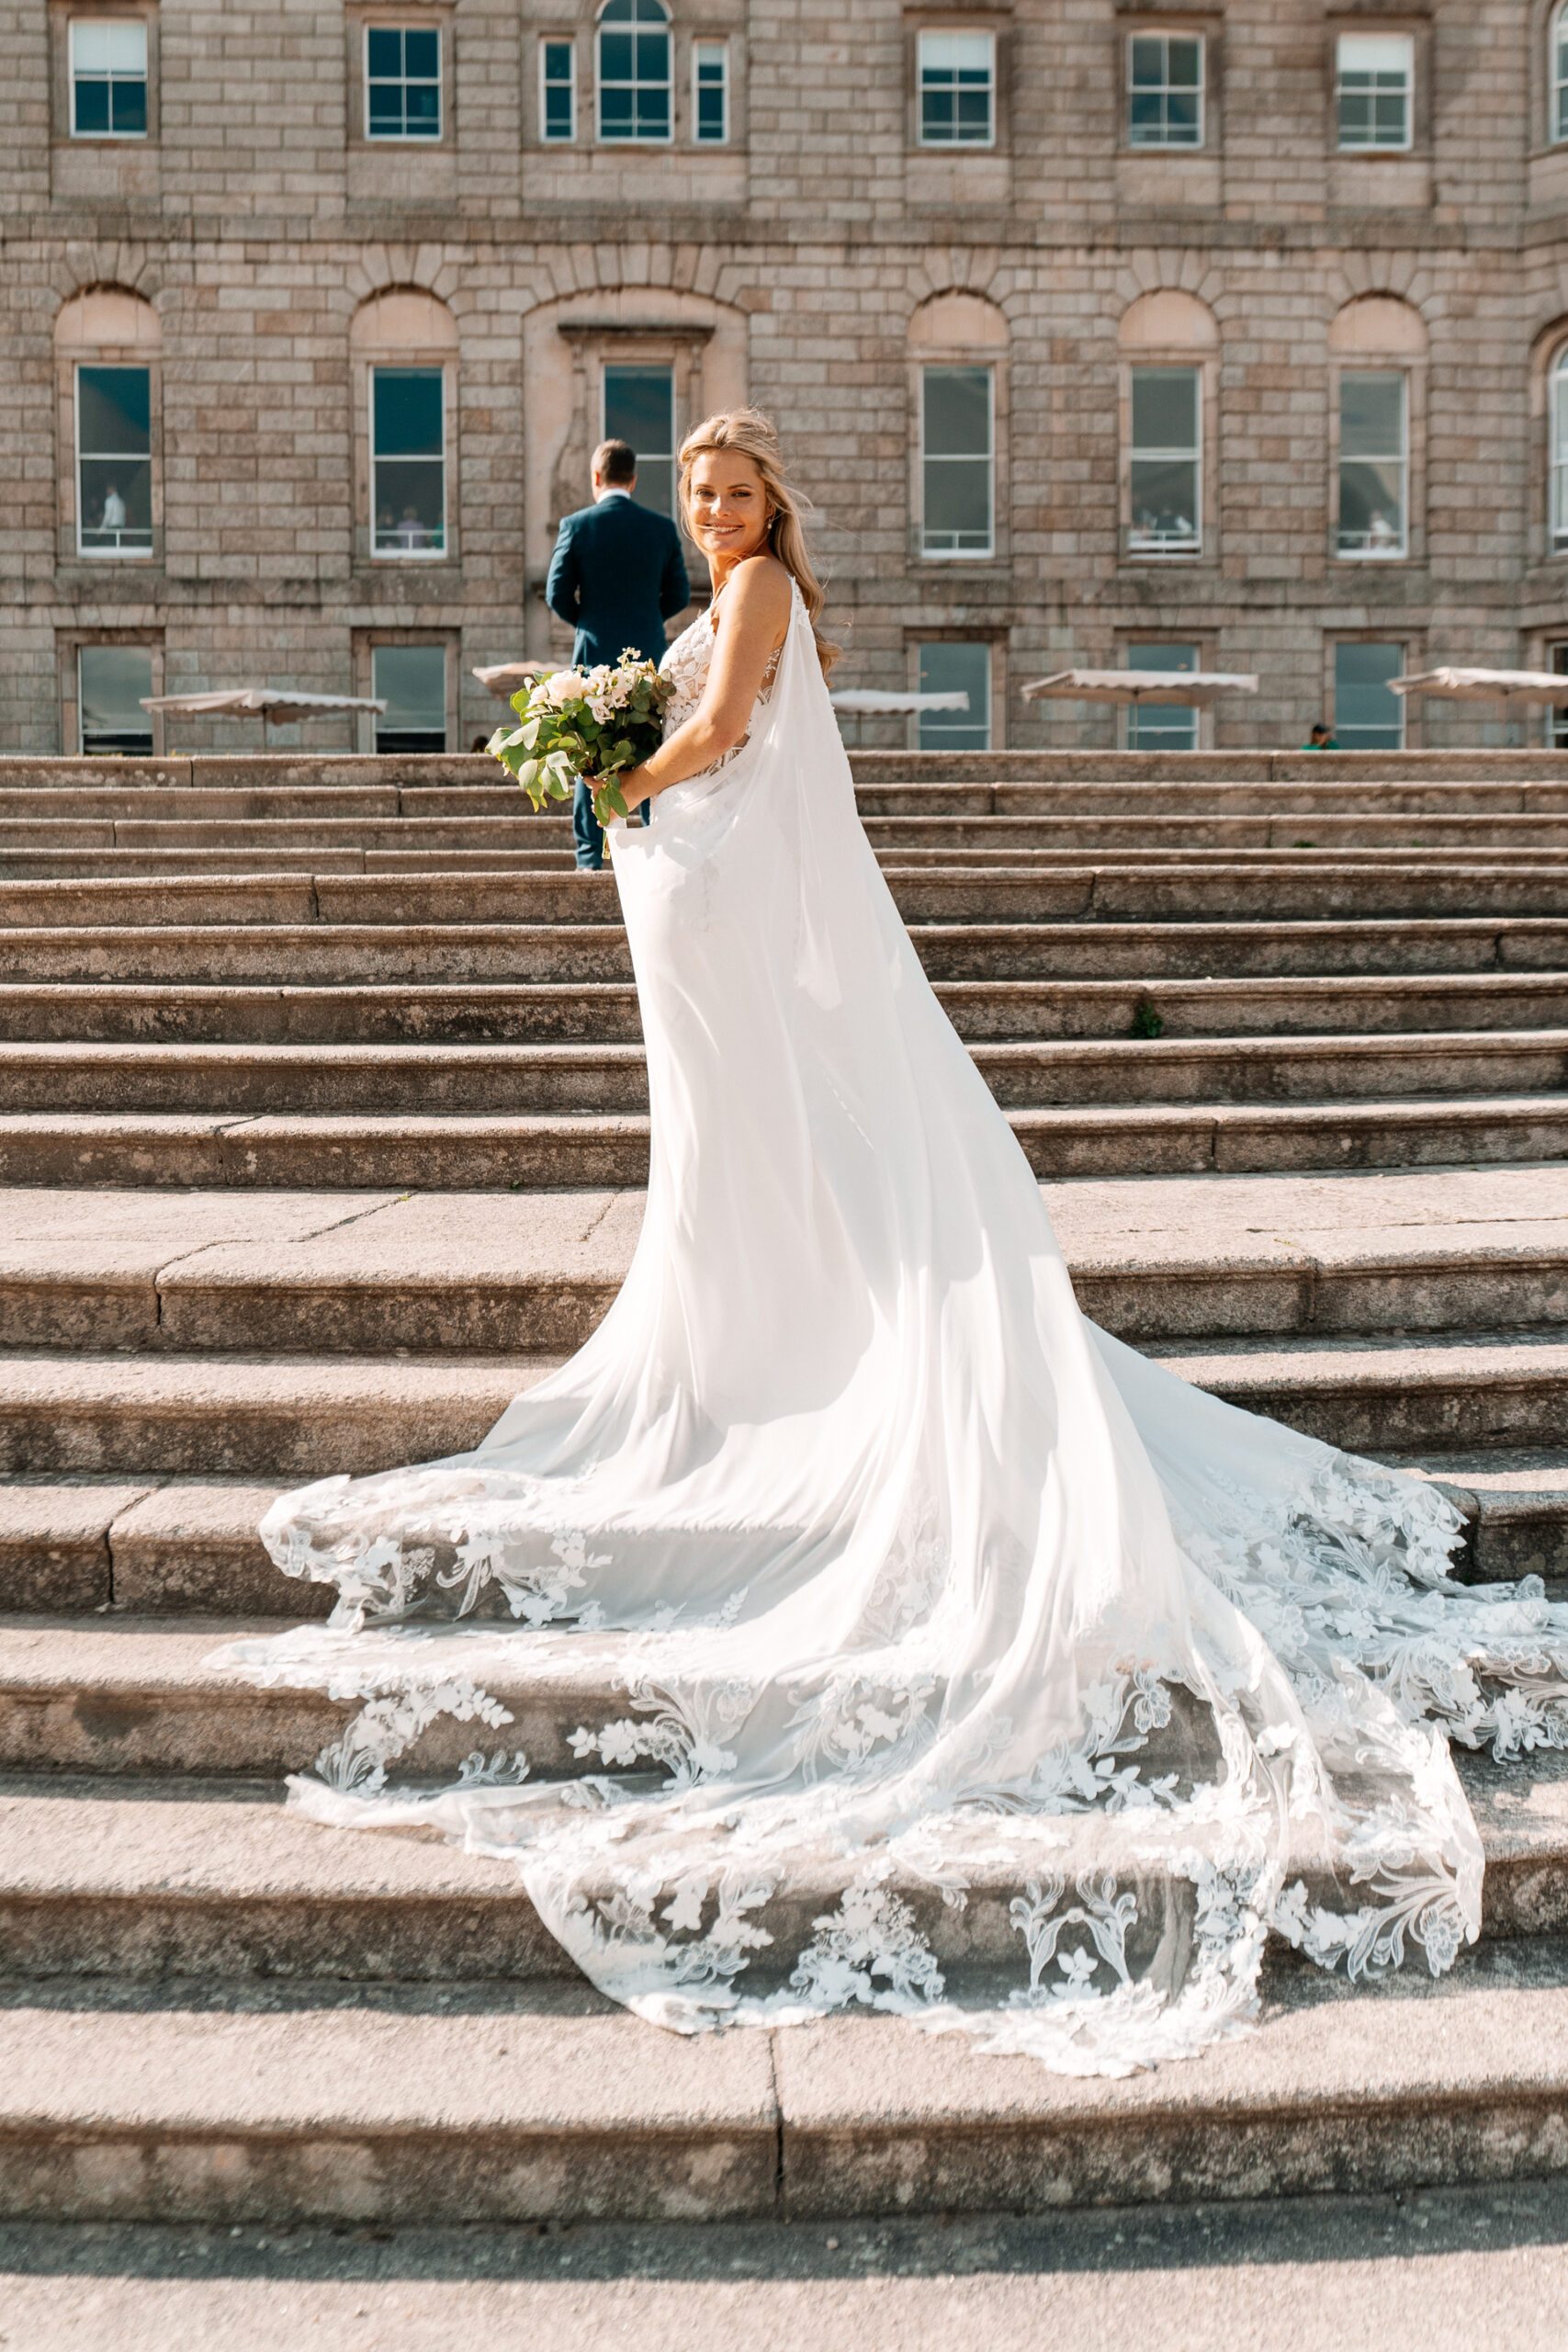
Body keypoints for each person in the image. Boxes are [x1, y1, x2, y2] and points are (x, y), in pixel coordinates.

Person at [227, 410, 1568, 2082]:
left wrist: (601, 770)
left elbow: (716, 733)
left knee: (761, 1142)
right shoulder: (724, 589)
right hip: (692, 900)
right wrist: (621, 755)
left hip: (701, 886)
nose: (717, 513)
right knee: (734, 1153)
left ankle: (791, 1365)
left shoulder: (764, 595)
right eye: (703, 494)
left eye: (736, 492)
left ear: (771, 501)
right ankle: (765, 1356)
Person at [545, 437, 690, 867]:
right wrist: (646, 619)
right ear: (634, 479)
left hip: (592, 656)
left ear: (596, 477)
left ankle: (589, 859)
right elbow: (680, 593)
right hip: (646, 652)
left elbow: (556, 593)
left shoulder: (576, 525)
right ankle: (652, 852)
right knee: (649, 748)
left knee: (587, 751)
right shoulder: (661, 528)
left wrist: (588, 621)